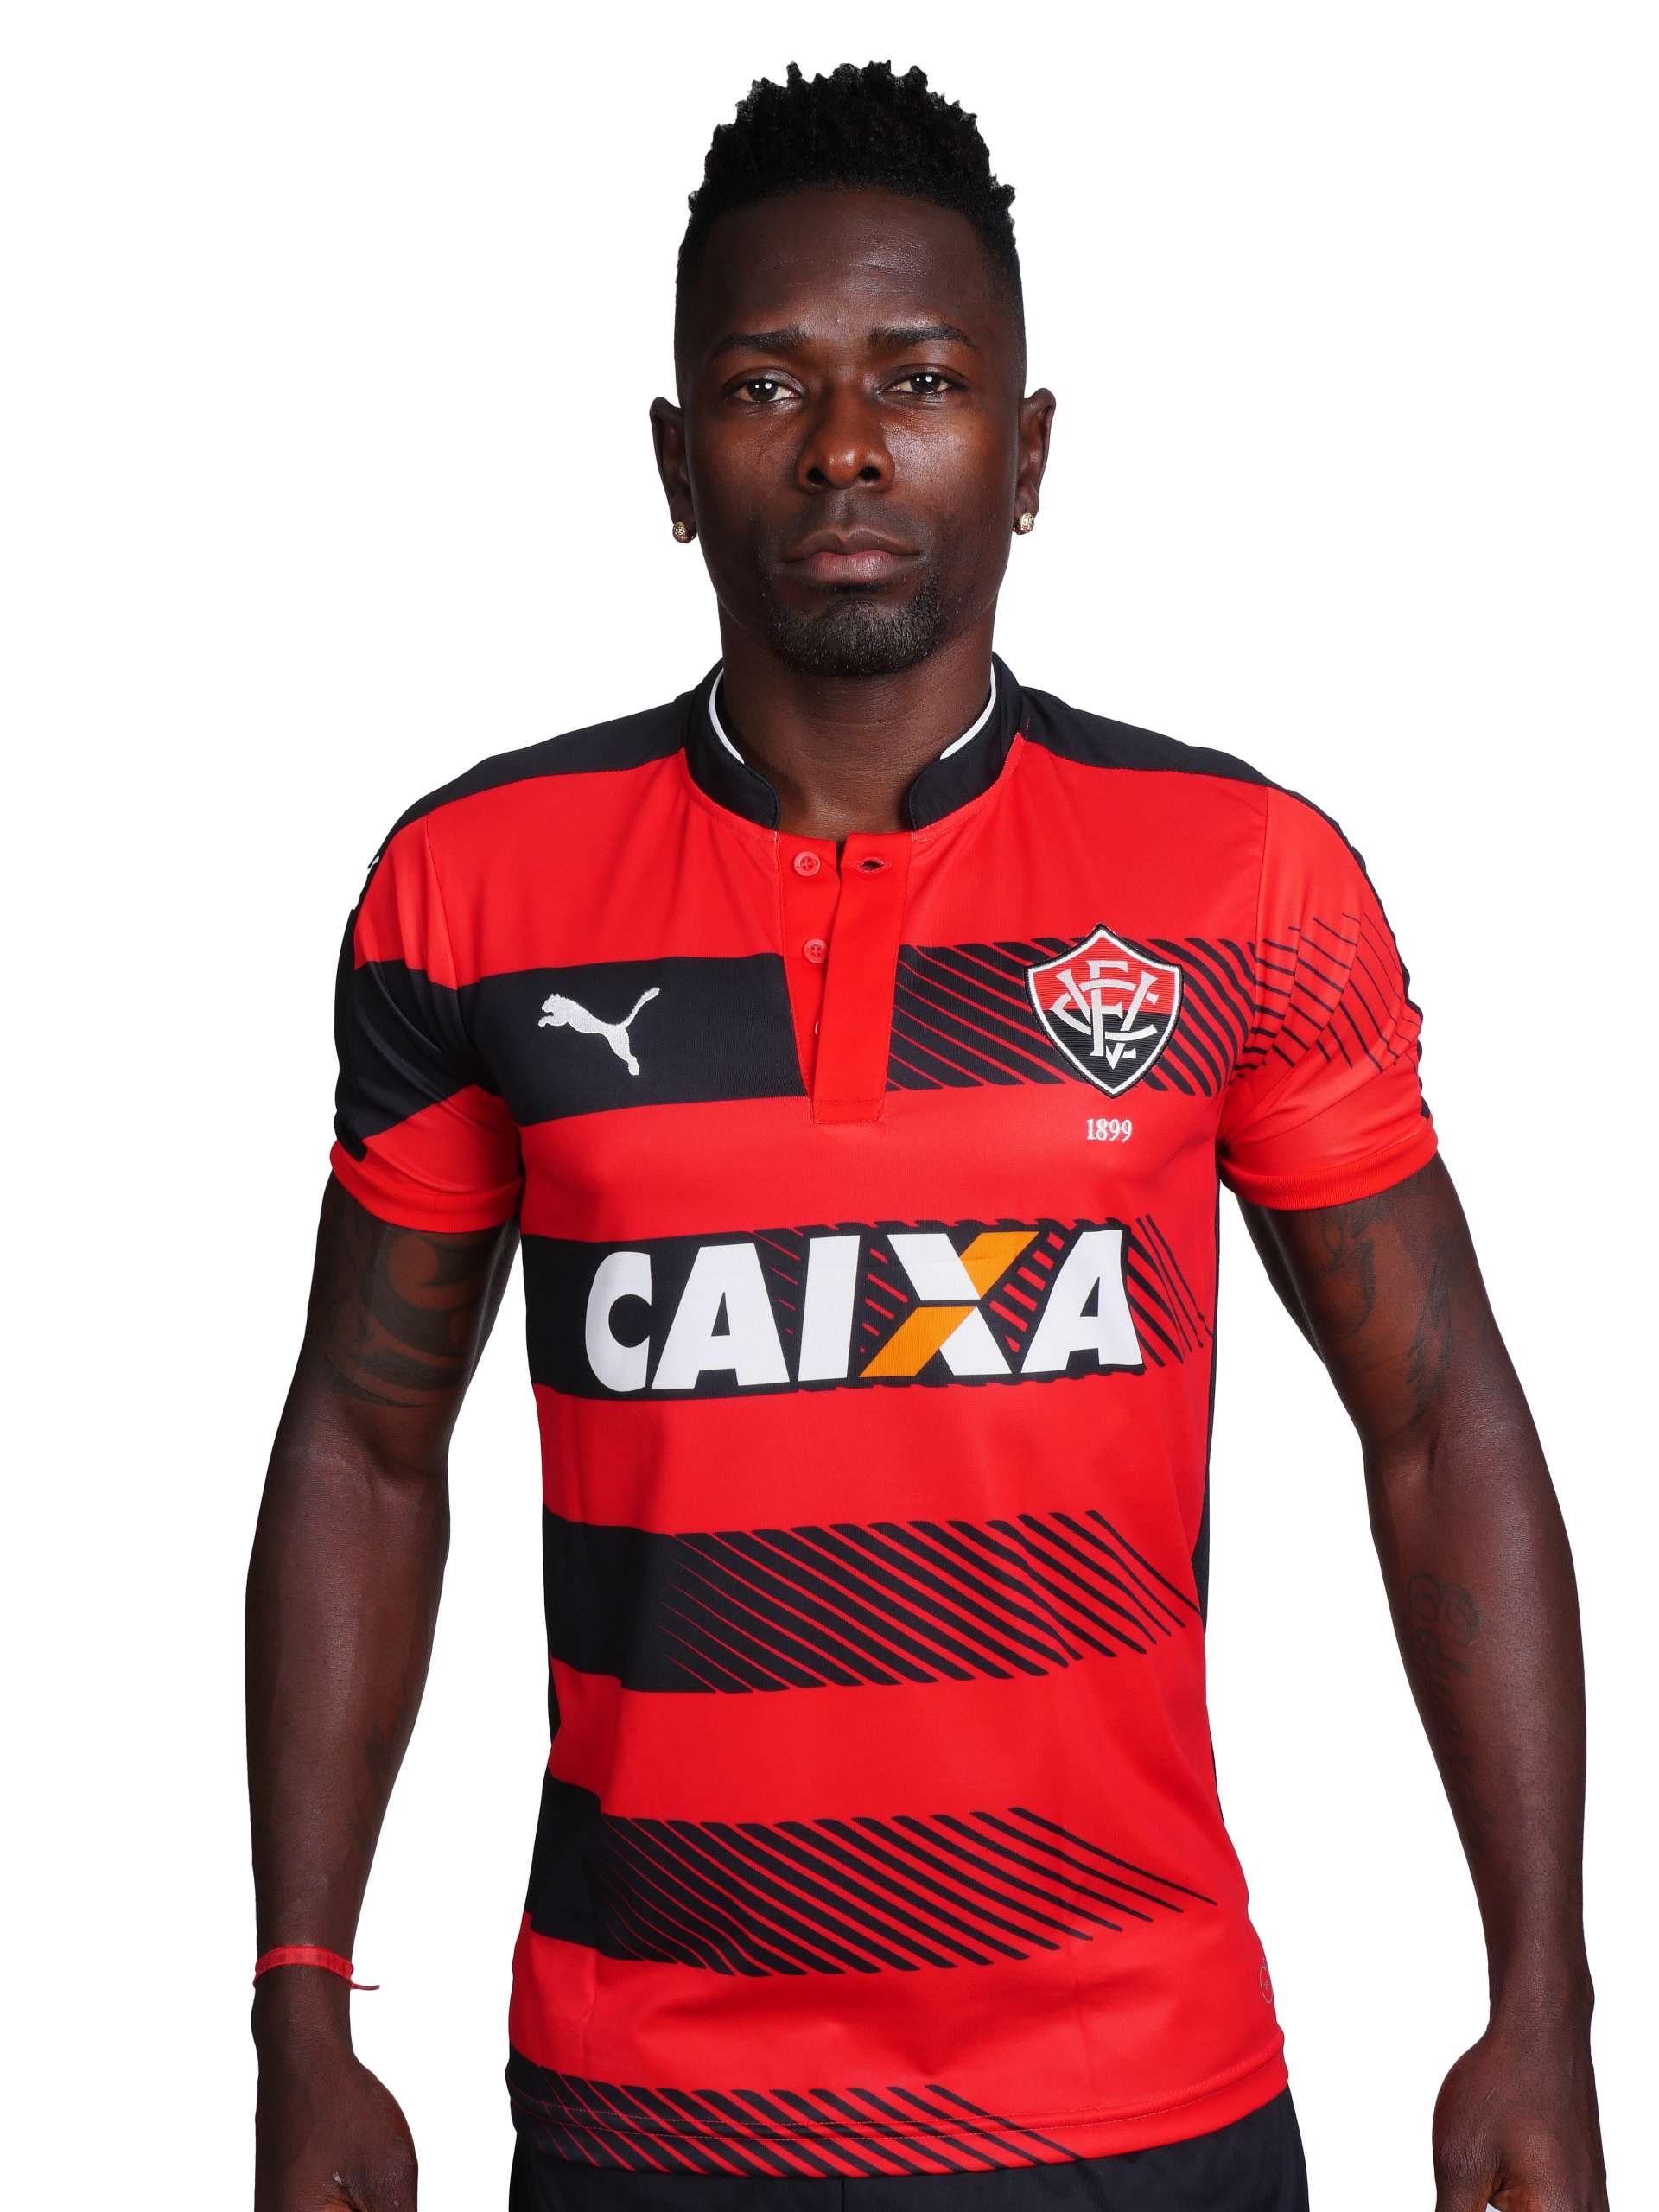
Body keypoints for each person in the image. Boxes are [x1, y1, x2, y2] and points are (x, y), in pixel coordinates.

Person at [246, 60, 1606, 2212]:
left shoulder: (1239, 880)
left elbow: (1441, 1422)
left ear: (1030, 452)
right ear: (675, 463)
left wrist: (1542, 2001)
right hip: (646, 2108)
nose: (848, 444)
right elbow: (361, 1440)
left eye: (923, 377)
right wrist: (301, 2011)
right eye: (767, 384)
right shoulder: (473, 891)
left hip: (1134, 2103)